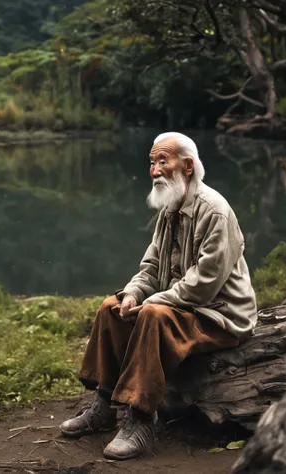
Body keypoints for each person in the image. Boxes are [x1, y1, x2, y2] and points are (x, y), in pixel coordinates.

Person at [59, 132, 257, 460]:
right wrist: (134, 293)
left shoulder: (215, 211)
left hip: (219, 315)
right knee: (112, 307)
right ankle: (104, 407)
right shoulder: (169, 209)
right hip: (181, 307)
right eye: (152, 162)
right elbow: (150, 266)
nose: (154, 171)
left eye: (162, 161)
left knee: (153, 315)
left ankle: (140, 419)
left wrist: (155, 301)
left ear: (188, 166)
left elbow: (204, 284)